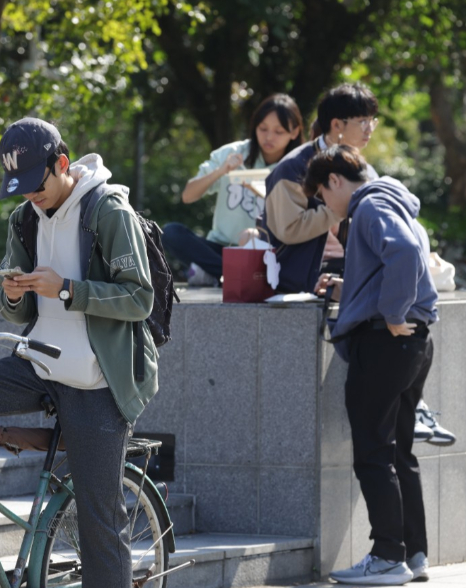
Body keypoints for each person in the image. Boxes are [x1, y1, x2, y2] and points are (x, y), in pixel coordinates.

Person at [0, 118, 158, 587]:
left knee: (99, 521)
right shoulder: (23, 218)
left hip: (98, 378)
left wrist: (68, 290)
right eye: (20, 188)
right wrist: (11, 292)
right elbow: (23, 313)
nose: (31, 196)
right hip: (40, 362)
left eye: (36, 184)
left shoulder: (107, 211)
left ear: (61, 164)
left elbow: (139, 298)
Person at [311, 145, 435, 585]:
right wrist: (354, 290)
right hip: (411, 344)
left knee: (374, 452)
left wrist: (395, 313)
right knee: (399, 450)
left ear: (335, 182)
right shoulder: (393, 200)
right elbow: (395, 264)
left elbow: (403, 254)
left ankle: (387, 557)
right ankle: (414, 552)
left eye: (324, 198)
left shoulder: (369, 205)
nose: (328, 209)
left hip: (385, 343)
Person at [163, 94, 303, 286]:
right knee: (170, 233)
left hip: (269, 251)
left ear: (294, 132)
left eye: (278, 131)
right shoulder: (232, 153)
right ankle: (233, 276)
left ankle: (217, 274)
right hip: (223, 249)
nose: (269, 137)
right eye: (263, 129)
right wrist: (222, 171)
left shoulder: (300, 165)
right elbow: (188, 195)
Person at [261, 82, 380, 292]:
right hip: (292, 284)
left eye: (372, 122)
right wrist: (339, 209)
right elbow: (289, 229)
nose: (369, 129)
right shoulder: (293, 168)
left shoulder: (365, 169)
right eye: (362, 122)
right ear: (336, 125)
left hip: (342, 280)